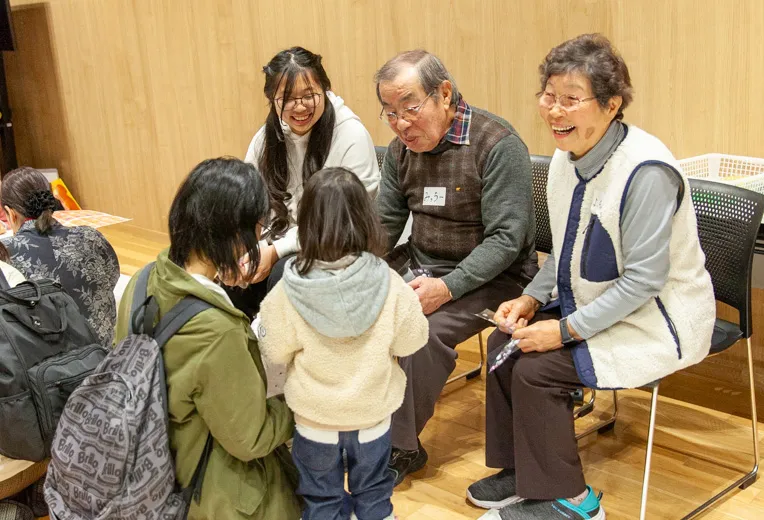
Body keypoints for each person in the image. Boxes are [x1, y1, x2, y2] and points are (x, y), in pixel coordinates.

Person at [467, 34, 716, 520]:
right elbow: (567, 249)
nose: (554, 111)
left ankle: (573, 502)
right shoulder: (567, 158)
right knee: (503, 343)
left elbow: (643, 282)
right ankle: (528, 472)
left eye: (571, 99)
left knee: (537, 370)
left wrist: (562, 331)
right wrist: (530, 300)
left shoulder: (646, 172)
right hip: (596, 300)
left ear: (611, 104)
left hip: (658, 319)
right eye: (549, 96)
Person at [373, 49, 539, 484]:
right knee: (350, 306)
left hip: (496, 275)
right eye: (390, 113)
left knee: (421, 333)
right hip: (422, 261)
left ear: (443, 94)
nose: (401, 124)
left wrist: (448, 287)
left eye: (410, 108)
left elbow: (506, 241)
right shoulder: (401, 151)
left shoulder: (497, 145)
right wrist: (354, 269)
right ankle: (356, 425)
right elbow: (383, 225)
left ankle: (400, 447)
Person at [114, 158, 300, 520]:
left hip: (148, 470)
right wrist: (300, 400)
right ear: (236, 234)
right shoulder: (216, 331)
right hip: (207, 492)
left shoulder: (142, 280)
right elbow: (252, 439)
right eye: (258, 229)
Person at [260, 167, 428, 520]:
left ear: (306, 223)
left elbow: (274, 350)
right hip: (372, 417)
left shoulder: (288, 289)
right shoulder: (389, 282)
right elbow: (413, 340)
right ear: (367, 218)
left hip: (314, 420)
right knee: (375, 493)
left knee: (321, 500)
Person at [225, 46, 381, 319]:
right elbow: (248, 200)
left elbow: (340, 223)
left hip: (336, 247)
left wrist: (276, 251)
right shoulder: (267, 137)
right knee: (233, 275)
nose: (299, 106)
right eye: (287, 98)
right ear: (271, 99)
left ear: (325, 90)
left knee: (285, 275)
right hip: (279, 242)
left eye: (309, 96)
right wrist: (244, 245)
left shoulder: (351, 135)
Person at [1, 167, 119, 346]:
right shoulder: (90, 236)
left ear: (10, 213)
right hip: (102, 352)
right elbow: (112, 278)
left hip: (47, 361)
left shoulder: (6, 253)